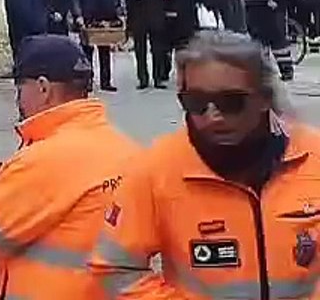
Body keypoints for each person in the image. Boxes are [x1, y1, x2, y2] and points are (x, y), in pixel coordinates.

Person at [88, 31, 319, 297]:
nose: (213, 116)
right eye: (196, 103)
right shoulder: (156, 169)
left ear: (264, 99)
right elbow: (114, 269)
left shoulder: (313, 157)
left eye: (231, 102)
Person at [0, 35, 137, 300]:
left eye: (19, 87)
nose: (17, 99)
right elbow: (56, 198)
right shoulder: (121, 146)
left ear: (43, 88)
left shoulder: (46, 158)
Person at [118, 0, 171, 89]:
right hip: (137, 14)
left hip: (155, 13)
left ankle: (158, 78)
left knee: (157, 48)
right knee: (140, 49)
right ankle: (143, 79)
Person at [69, 0, 120, 91]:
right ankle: (88, 81)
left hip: (103, 15)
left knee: (105, 49)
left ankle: (106, 81)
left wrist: (116, 14)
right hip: (87, 15)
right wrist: (77, 15)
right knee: (87, 50)